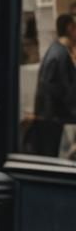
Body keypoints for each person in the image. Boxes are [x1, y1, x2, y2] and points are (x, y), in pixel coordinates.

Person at [30, 13, 76, 158]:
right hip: (53, 119)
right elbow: (66, 89)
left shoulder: (55, 50)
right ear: (70, 29)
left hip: (48, 118)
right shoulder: (61, 55)